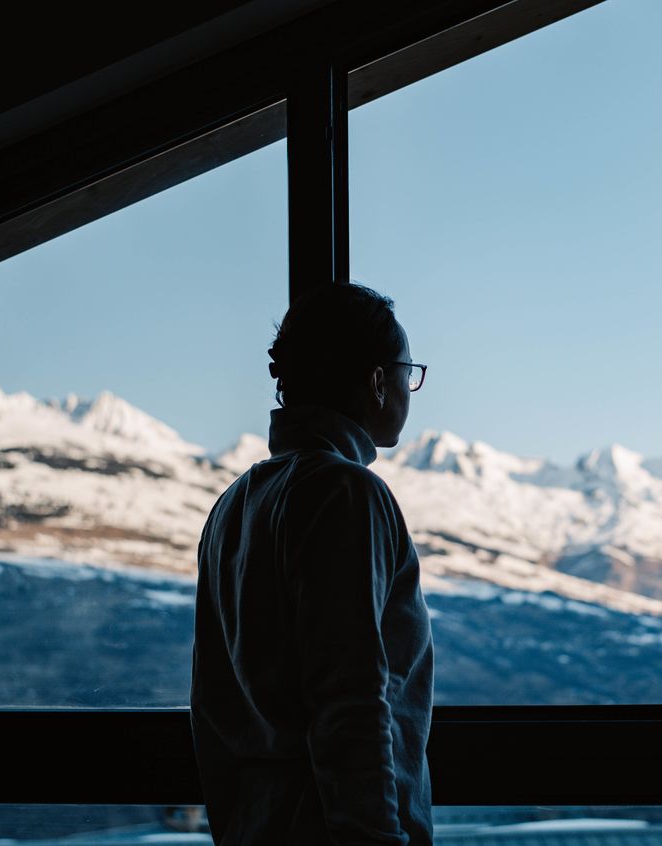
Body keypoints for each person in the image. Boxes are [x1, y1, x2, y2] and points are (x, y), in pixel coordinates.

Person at [189, 282, 435, 845]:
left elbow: (209, 704)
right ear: (377, 380)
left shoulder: (234, 504)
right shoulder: (348, 494)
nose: (410, 387)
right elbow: (353, 695)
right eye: (407, 370)